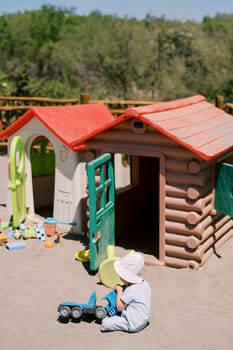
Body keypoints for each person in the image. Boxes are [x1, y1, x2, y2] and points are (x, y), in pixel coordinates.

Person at [101, 252, 151, 333]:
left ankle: (122, 323)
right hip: (144, 319)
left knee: (105, 323)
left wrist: (119, 290)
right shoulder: (146, 284)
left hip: (132, 323)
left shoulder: (131, 290)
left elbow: (120, 307)